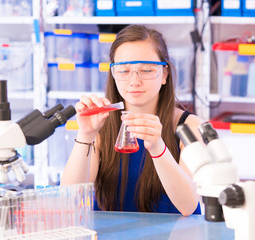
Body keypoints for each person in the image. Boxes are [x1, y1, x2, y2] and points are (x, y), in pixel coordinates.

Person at [61, 25, 203, 216]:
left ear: (164, 74)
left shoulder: (190, 127)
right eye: (124, 70)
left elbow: (187, 206)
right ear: (113, 73)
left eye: (146, 70)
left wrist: (157, 147)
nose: (134, 81)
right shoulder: (101, 125)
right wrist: (85, 134)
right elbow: (70, 201)